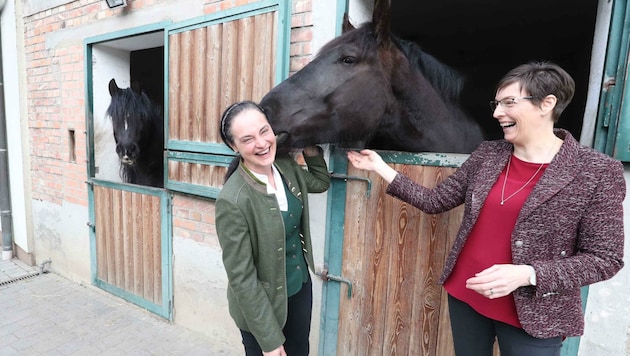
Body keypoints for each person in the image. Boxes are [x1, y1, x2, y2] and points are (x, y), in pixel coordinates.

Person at [347, 61, 626, 356]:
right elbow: (435, 201)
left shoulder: (596, 171)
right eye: (497, 103)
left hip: (534, 314)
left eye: (509, 103)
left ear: (547, 104)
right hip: (467, 296)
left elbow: (605, 259)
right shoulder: (488, 154)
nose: (496, 113)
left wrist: (528, 274)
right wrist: (380, 167)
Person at [215, 100, 330, 356]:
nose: (262, 143)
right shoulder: (232, 200)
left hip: (299, 287)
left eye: (264, 131)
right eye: (247, 139)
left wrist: (310, 147)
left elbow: (321, 182)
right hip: (261, 306)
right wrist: (268, 340)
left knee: (300, 350)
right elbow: (242, 279)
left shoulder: (286, 166)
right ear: (234, 146)